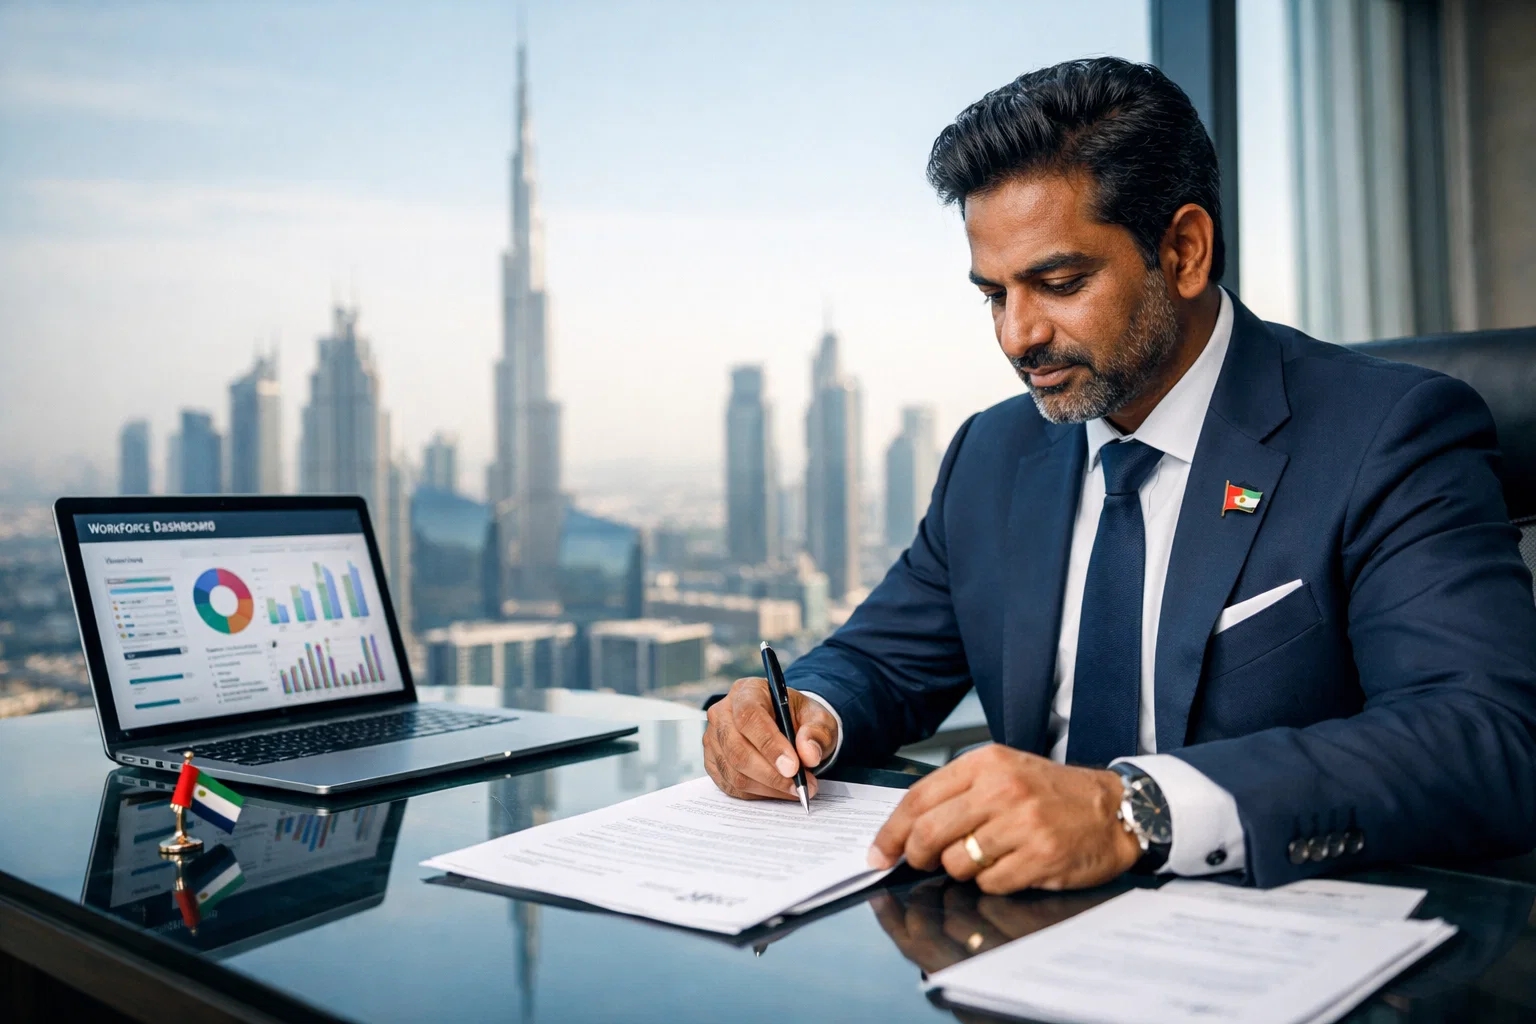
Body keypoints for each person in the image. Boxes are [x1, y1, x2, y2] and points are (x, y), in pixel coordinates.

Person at [702, 57, 1536, 892]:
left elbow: (1482, 736)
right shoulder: (993, 454)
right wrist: (803, 711)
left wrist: (1134, 809)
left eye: (1058, 284)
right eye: (993, 294)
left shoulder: (1387, 434)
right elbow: (882, 662)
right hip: (1022, 933)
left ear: (1183, 251)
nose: (1016, 336)